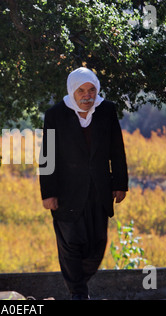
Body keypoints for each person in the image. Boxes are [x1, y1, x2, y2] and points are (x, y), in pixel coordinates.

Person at [39, 67, 128, 300]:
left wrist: (120, 183)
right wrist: (48, 193)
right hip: (66, 192)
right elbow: (47, 156)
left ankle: (79, 286)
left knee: (97, 244)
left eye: (92, 90)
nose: (87, 96)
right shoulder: (55, 115)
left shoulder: (106, 111)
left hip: (100, 190)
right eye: (82, 91)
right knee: (71, 244)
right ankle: (78, 293)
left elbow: (117, 150)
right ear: (72, 91)